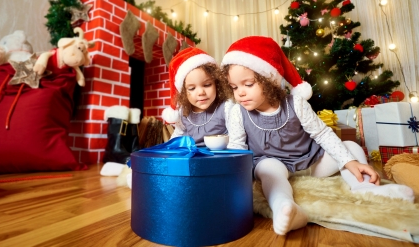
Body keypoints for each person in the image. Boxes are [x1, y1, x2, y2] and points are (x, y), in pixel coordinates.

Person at [221, 36, 414, 235]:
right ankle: (284, 207)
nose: (240, 93)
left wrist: (348, 161)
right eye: (234, 87)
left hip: (313, 162)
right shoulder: (238, 112)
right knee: (267, 169)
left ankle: (366, 188)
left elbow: (322, 134)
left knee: (352, 147)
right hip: (275, 164)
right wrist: (230, 182)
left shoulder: (295, 104)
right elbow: (237, 148)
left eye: (248, 84)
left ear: (269, 79)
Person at [162, 47, 246, 149]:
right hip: (194, 159)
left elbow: (236, 142)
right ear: (184, 92)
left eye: (207, 85)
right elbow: (177, 137)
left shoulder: (226, 107)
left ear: (216, 83)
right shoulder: (183, 112)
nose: (201, 92)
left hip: (220, 158)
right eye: (192, 88)